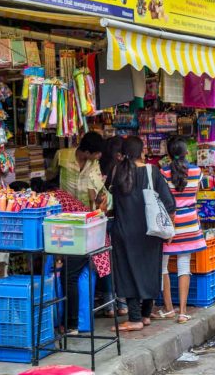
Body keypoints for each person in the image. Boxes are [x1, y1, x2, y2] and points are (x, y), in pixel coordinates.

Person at [30, 177, 112, 335]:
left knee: (68, 278)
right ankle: (74, 321)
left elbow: (58, 229)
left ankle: (72, 324)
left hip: (83, 240)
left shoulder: (51, 199)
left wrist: (59, 256)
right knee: (71, 276)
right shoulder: (61, 194)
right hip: (90, 238)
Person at [110, 136, 176, 331]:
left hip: (124, 230)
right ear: (141, 152)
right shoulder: (152, 171)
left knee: (128, 271)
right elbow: (169, 203)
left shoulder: (117, 171)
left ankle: (135, 317)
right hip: (150, 230)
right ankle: (144, 315)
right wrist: (170, 227)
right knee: (150, 269)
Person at [157, 138, 206, 324]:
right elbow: (196, 196)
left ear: (169, 154)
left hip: (170, 223)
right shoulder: (196, 171)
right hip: (190, 222)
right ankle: (183, 312)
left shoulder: (163, 172)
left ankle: (169, 308)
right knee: (184, 266)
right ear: (187, 153)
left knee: (163, 266)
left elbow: (161, 199)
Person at [97, 136, 127, 318]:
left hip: (102, 220)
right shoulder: (119, 169)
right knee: (119, 262)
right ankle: (122, 303)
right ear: (118, 154)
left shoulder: (99, 167)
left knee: (105, 264)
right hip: (116, 219)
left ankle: (108, 305)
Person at [46, 131, 105, 209]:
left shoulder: (95, 163)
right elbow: (50, 175)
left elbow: (98, 187)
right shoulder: (61, 155)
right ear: (87, 153)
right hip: (66, 208)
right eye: (97, 153)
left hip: (87, 210)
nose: (99, 156)